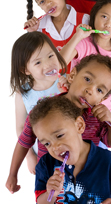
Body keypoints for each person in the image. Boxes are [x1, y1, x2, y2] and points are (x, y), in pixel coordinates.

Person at [6, 54, 111, 194]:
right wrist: (13, 175)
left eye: (99, 90)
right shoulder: (44, 111)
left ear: (102, 99)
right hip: (52, 180)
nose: (90, 90)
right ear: (72, 75)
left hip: (87, 182)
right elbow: (24, 142)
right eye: (87, 79)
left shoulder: (98, 119)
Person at [31, 96, 111, 204]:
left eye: (59, 136)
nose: (54, 147)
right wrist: (51, 194)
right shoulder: (45, 165)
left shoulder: (107, 160)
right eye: (47, 143)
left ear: (79, 126)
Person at [60, 0, 111, 128]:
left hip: (100, 114)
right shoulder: (84, 43)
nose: (107, 24)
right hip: (76, 107)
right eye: (104, 17)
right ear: (94, 15)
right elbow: (60, 62)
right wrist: (78, 36)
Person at [11, 31, 67, 174]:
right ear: (25, 70)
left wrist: (69, 89)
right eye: (38, 62)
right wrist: (29, 156)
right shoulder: (23, 94)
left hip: (69, 148)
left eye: (50, 55)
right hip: (44, 154)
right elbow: (21, 128)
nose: (48, 64)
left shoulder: (67, 80)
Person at [24, 0, 89, 73]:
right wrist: (32, 33)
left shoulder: (85, 20)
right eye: (42, 1)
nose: (48, 3)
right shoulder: (39, 28)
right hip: (53, 83)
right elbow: (37, 62)